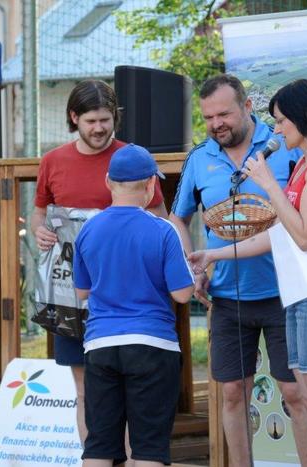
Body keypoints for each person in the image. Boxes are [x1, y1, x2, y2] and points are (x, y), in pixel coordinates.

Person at [189, 79, 307, 467]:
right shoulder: (305, 164)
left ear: (302, 117)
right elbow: (282, 233)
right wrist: (214, 254)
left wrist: (268, 183)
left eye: (282, 121)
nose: (278, 130)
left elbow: (305, 235)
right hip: (302, 290)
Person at [169, 74, 307, 466]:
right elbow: (177, 218)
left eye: (224, 114)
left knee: (296, 393)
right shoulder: (199, 158)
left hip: (286, 292)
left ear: (247, 107)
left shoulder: (283, 145)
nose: (216, 123)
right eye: (208, 117)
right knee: (233, 392)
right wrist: (192, 267)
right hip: (227, 297)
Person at [31, 79, 168, 448]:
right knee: (84, 390)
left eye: (105, 120)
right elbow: (39, 212)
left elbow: (159, 216)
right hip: (71, 294)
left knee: (127, 392)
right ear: (74, 117)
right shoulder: (53, 161)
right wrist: (41, 231)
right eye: (91, 121)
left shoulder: (132, 158)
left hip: (126, 296)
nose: (99, 128)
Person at [73, 144, 194, 467]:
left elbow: (82, 291)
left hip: (100, 345)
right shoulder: (163, 230)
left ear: (108, 182)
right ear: (151, 184)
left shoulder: (88, 229)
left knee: (99, 446)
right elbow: (182, 294)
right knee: (148, 448)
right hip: (152, 345)